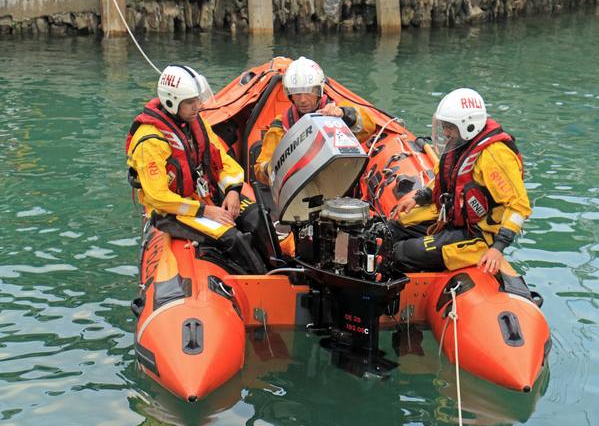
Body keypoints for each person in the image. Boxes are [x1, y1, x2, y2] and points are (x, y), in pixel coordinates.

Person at [126, 64, 266, 274]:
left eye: (197, 100)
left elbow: (222, 158)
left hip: (203, 196)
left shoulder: (196, 123)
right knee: (233, 239)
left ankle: (283, 270)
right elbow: (159, 197)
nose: (198, 106)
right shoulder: (150, 142)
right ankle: (260, 283)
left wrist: (233, 191)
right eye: (191, 102)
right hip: (172, 211)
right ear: (173, 102)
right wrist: (204, 211)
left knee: (257, 217)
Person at [389, 88, 531, 274]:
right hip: (452, 218)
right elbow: (445, 181)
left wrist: (497, 248)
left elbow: (519, 207)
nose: (445, 132)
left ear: (468, 125)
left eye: (449, 127)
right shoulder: (460, 143)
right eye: (444, 126)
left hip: (479, 234)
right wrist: (419, 197)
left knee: (403, 252)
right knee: (392, 228)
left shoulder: (495, 155)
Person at [254, 56, 376, 185]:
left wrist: (344, 114)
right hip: (300, 187)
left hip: (338, 180)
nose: (303, 100)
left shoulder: (338, 110)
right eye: (297, 93)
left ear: (319, 91)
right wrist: (276, 165)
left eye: (309, 92)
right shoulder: (281, 126)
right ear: (289, 95)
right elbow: (259, 170)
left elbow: (369, 127)